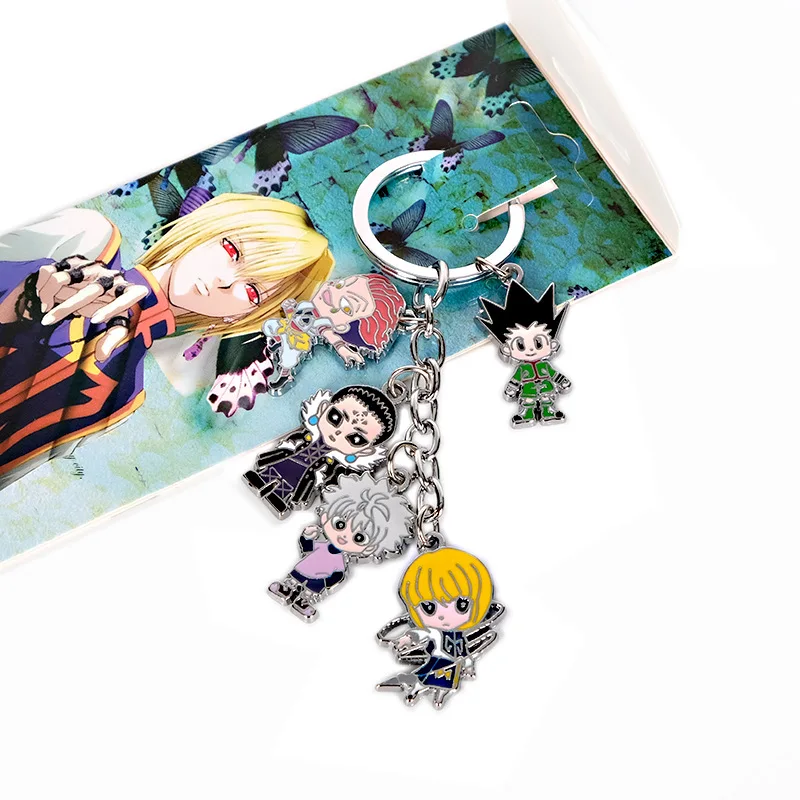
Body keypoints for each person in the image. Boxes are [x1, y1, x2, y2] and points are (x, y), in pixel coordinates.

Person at [0, 195, 333, 488]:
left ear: (240, 317)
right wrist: (26, 297)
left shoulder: (124, 395)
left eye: (251, 290)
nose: (225, 279)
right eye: (232, 250)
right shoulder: (87, 238)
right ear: (205, 228)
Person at [268, 473, 413, 621]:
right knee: (293, 580)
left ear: (372, 548)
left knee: (309, 592)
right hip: (303, 569)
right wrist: (306, 536)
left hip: (319, 581)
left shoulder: (342, 561)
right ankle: (285, 589)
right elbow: (307, 549)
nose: (344, 536)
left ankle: (303, 602)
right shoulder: (323, 544)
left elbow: (338, 576)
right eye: (340, 524)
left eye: (359, 538)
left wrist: (327, 583)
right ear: (325, 515)